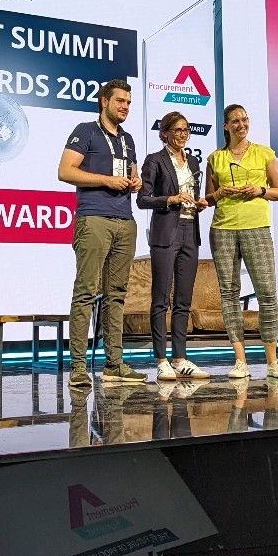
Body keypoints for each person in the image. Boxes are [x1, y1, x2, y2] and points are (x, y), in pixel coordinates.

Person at [58, 79, 145, 384]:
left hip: (125, 220)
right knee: (85, 292)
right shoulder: (86, 131)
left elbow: (134, 174)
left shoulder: (129, 139)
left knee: (117, 294)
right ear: (104, 101)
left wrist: (137, 181)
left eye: (129, 103)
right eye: (120, 101)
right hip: (93, 218)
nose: (125, 107)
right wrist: (106, 181)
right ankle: (79, 367)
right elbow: (65, 171)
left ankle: (114, 363)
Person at [204, 103, 278, 380]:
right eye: (235, 121)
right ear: (226, 126)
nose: (241, 124)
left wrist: (260, 190)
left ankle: (272, 361)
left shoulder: (265, 153)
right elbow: (207, 199)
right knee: (229, 293)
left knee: (267, 293)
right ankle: (240, 361)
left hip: (257, 228)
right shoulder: (214, 158)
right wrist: (221, 192)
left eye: (245, 119)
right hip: (223, 229)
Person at [137, 110, 210, 385]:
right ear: (164, 133)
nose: (182, 134)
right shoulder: (154, 160)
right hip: (166, 232)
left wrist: (198, 203)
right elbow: (143, 199)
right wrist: (171, 199)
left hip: (190, 231)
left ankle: (180, 358)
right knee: (160, 298)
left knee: (184, 300)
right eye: (177, 130)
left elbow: (193, 195)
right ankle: (161, 360)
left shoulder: (192, 161)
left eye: (186, 130)